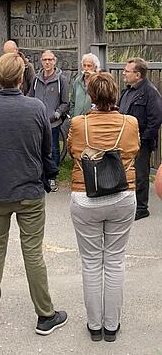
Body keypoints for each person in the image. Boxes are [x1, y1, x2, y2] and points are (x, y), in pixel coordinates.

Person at [0, 53, 67, 336]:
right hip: (29, 190)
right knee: (33, 252)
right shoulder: (36, 108)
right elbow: (46, 149)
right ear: (22, 77)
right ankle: (45, 314)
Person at [66, 72, 139, 343]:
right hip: (122, 196)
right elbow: (135, 150)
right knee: (116, 260)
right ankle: (112, 325)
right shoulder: (130, 123)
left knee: (91, 262)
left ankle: (94, 325)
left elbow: (74, 151)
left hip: (85, 196)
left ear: (91, 96)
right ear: (116, 94)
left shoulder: (78, 123)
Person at [118, 57, 162, 220]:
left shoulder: (150, 92)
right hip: (125, 141)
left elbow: (156, 119)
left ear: (138, 74)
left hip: (141, 143)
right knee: (127, 174)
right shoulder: (127, 91)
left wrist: (142, 140)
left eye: (127, 71)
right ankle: (130, 205)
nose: (124, 73)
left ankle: (141, 208)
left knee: (140, 175)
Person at [29, 50, 70, 192]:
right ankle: (40, 177)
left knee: (53, 150)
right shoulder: (36, 79)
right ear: (41, 61)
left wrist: (57, 114)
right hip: (37, 122)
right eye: (45, 59)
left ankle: (52, 178)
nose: (47, 62)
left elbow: (65, 102)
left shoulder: (61, 80)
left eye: (50, 60)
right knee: (37, 149)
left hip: (53, 123)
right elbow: (30, 97)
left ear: (55, 61)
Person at [69, 53, 101, 118]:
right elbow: (72, 101)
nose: (86, 68)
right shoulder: (78, 81)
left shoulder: (99, 83)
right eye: (84, 65)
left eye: (89, 66)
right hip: (78, 120)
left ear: (95, 67)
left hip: (92, 120)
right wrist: (73, 116)